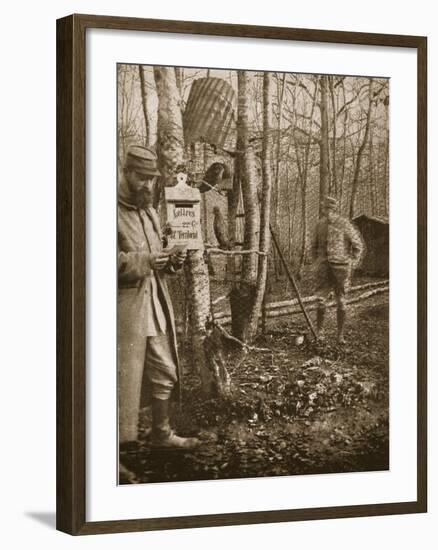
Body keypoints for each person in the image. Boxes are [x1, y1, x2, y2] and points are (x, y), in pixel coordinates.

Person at [118, 145, 200, 453]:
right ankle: (111, 457)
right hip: (124, 309)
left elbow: (157, 254)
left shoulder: (149, 210)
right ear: (125, 173)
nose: (148, 185)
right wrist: (147, 261)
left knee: (165, 368)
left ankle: (161, 434)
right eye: (141, 178)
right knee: (120, 379)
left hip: (154, 302)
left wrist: (171, 260)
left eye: (151, 179)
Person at [312, 196, 365, 344]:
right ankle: (320, 332)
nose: (328, 212)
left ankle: (340, 335)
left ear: (335, 210)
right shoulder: (319, 225)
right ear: (323, 210)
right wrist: (316, 262)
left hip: (341, 269)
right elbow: (313, 246)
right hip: (323, 269)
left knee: (341, 301)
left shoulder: (344, 224)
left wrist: (352, 263)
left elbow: (358, 245)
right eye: (325, 209)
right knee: (321, 300)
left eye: (331, 209)